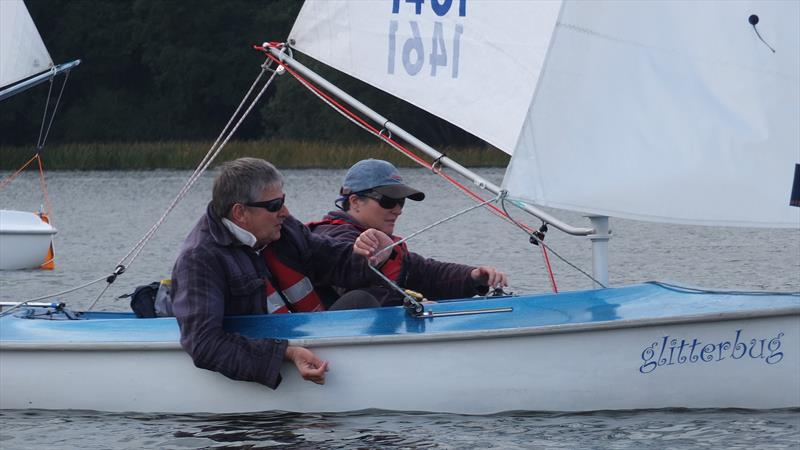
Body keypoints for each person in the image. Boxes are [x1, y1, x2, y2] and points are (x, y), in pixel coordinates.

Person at [171, 157, 394, 389]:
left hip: (302, 339)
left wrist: (376, 252)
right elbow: (204, 344)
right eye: (274, 205)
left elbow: (336, 262)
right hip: (277, 358)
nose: (285, 212)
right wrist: (286, 354)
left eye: (283, 201)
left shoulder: (284, 229)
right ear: (240, 213)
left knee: (362, 301)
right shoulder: (200, 259)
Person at [309, 159, 508, 307]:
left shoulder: (383, 244)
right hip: (335, 341)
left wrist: (473, 276)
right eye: (388, 201)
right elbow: (364, 289)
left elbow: (427, 273)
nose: (398, 209)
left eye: (401, 201)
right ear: (355, 202)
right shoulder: (334, 240)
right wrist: (410, 303)